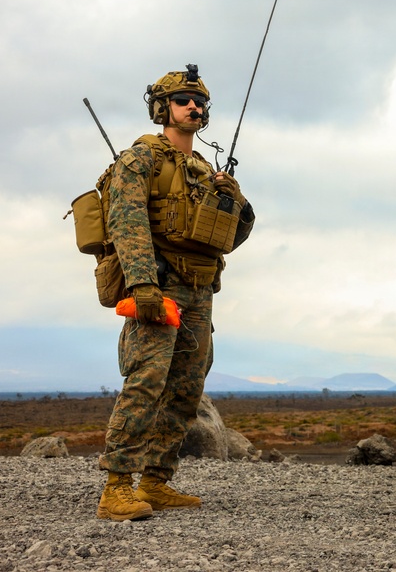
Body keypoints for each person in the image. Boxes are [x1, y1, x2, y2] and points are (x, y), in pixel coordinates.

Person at [96, 64, 255, 521]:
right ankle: (117, 487)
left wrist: (235, 200)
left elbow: (228, 237)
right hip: (160, 285)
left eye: (200, 101)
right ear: (162, 108)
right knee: (146, 381)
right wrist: (143, 283)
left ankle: (156, 480)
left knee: (187, 386)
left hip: (200, 287)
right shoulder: (141, 158)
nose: (194, 107)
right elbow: (125, 222)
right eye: (184, 100)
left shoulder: (205, 170)